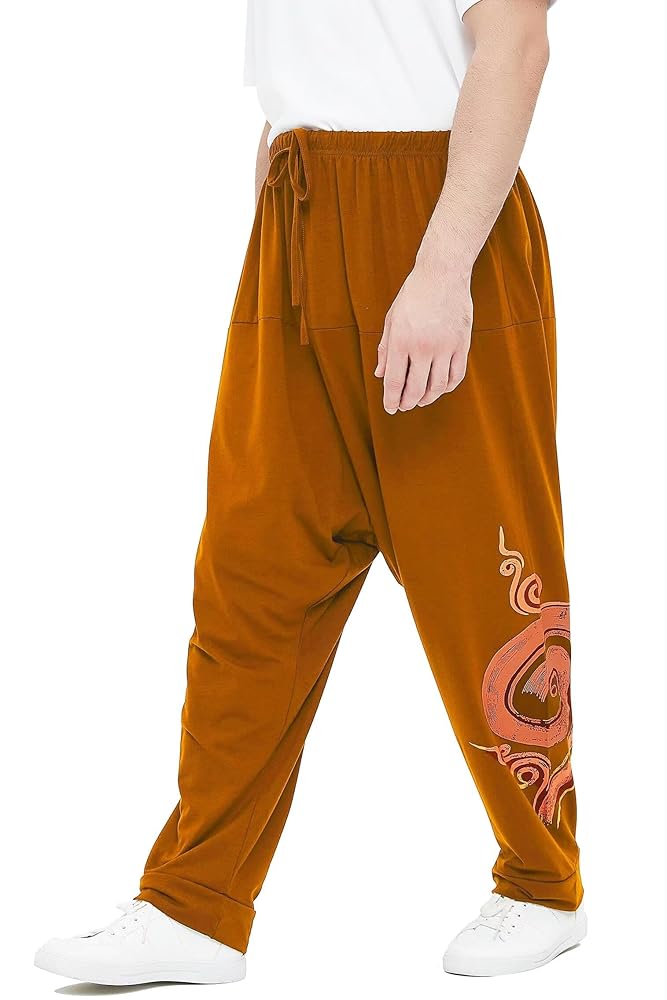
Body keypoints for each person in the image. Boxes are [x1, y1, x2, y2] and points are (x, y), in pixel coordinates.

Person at [34, 0, 586, 984]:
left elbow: (515, 42)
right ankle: (194, 903)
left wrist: (442, 267)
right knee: (252, 576)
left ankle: (544, 884)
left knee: (480, 570)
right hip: (298, 210)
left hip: (435, 213)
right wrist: (284, 208)